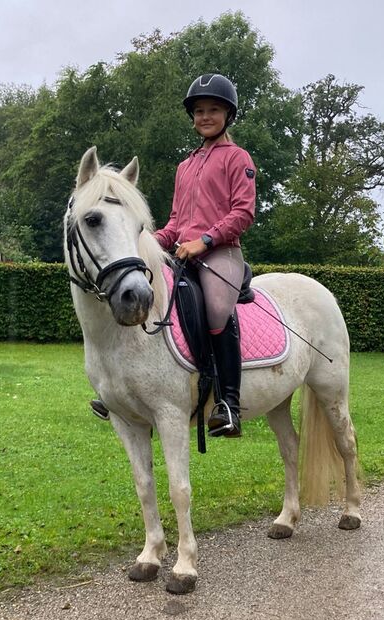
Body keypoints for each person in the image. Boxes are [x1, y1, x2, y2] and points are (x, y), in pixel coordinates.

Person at [91, 73, 256, 437]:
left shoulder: (237, 158)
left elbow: (243, 213)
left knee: (216, 310)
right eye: (199, 111)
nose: (205, 117)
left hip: (220, 254)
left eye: (213, 110)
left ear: (228, 115)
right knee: (139, 292)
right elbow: (178, 221)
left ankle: (229, 402)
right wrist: (147, 240)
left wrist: (205, 242)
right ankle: (120, 390)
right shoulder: (185, 165)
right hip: (182, 253)